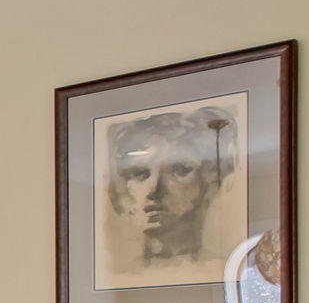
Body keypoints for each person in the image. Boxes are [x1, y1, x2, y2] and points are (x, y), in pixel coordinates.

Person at [101, 104, 238, 275]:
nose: (154, 188)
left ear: (209, 178)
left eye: (180, 170)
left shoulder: (226, 269)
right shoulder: (120, 273)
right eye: (140, 173)